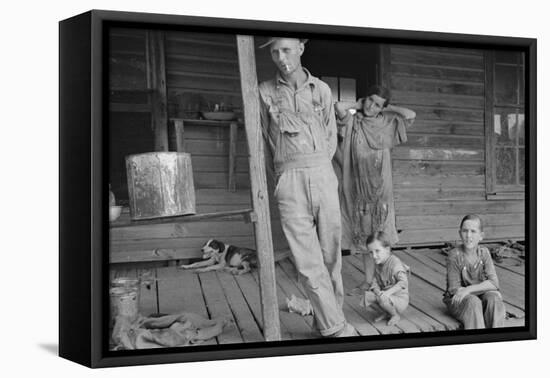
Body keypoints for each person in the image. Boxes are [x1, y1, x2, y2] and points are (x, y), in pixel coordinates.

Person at [258, 37, 356, 337]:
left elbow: (329, 137)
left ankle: (325, 321)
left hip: (323, 173)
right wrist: (280, 178)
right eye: (275, 52)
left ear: (301, 48)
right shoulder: (263, 92)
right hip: (288, 178)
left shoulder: (322, 91)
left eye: (286, 49)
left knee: (330, 258)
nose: (281, 57)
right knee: (307, 260)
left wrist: (318, 168)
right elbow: (264, 141)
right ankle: (336, 328)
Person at [333, 86, 415, 291]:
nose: (371, 106)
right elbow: (339, 107)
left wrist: (388, 109)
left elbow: (410, 115)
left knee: (383, 236)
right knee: (364, 239)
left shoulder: (387, 122)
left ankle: (390, 277)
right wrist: (356, 105)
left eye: (377, 104)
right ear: (364, 99)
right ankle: (369, 282)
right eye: (370, 100)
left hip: (381, 191)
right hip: (359, 189)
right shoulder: (355, 121)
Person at [443, 214, 506, 329]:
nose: (468, 235)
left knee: (494, 299)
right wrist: (480, 288)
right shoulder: (454, 255)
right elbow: (454, 289)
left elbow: (494, 283)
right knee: (474, 302)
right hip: (459, 300)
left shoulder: (484, 253)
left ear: (481, 236)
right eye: (465, 231)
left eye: (473, 231)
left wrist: (468, 289)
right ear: (459, 233)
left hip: (477, 294)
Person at [360, 231, 409, 326]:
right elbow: (375, 281)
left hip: (399, 299)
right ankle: (388, 312)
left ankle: (395, 315)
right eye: (371, 252)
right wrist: (376, 290)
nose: (374, 256)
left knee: (382, 299)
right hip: (387, 296)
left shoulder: (394, 263)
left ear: (387, 249)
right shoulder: (379, 263)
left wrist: (387, 293)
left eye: (377, 251)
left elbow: (403, 283)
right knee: (368, 296)